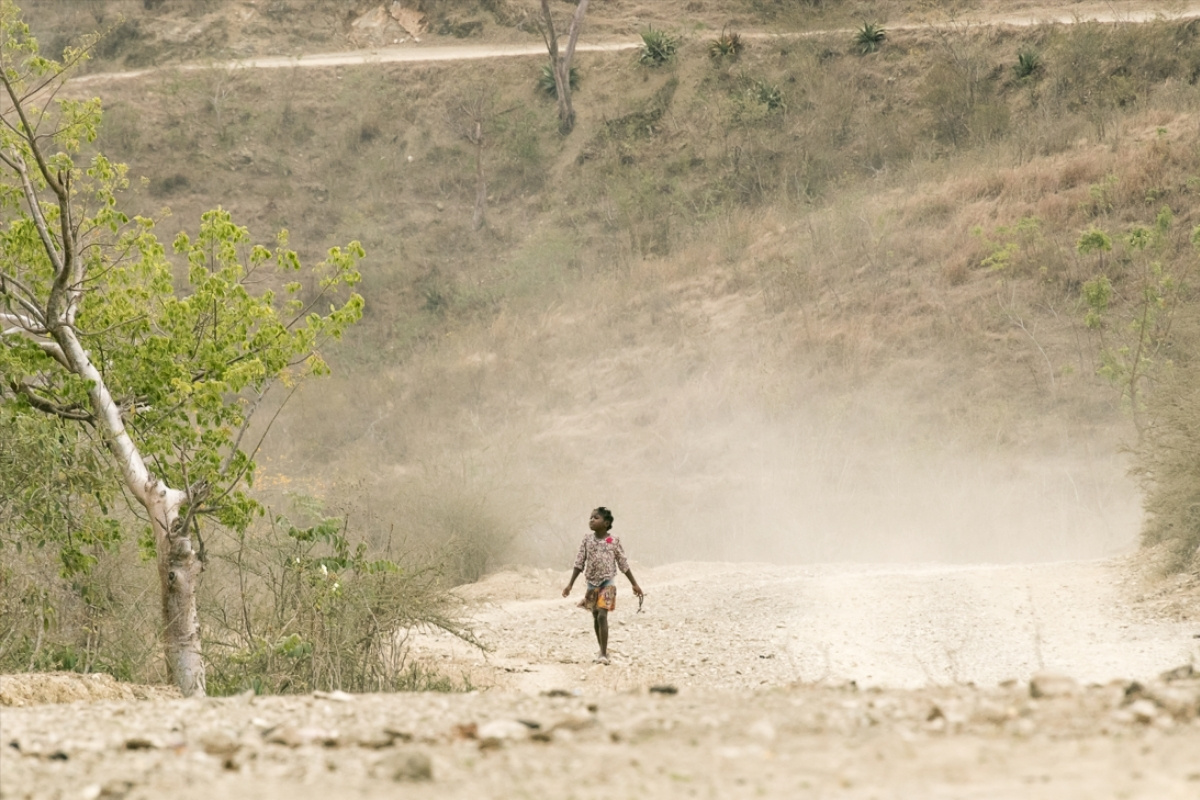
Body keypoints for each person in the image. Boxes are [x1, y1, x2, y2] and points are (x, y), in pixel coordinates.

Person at [562, 506, 643, 665]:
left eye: (596, 518)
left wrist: (634, 584)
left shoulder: (613, 541)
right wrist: (569, 585)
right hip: (591, 582)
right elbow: (579, 562)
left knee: (602, 615)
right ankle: (601, 650)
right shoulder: (587, 540)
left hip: (608, 581)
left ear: (606, 523)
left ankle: (604, 654)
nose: (591, 520)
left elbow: (623, 563)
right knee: (594, 616)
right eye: (591, 517)